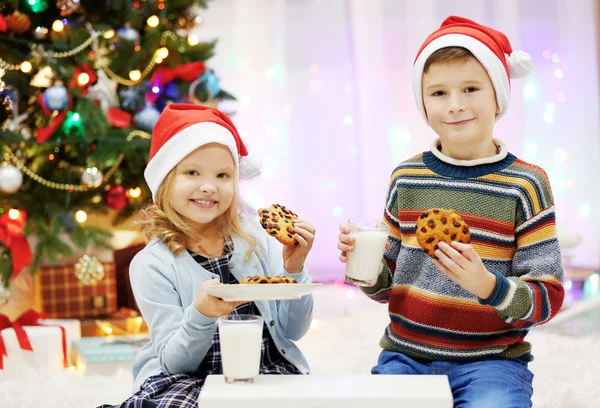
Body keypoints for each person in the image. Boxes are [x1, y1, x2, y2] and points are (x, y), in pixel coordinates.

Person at [337, 16, 564, 408]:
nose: (455, 105)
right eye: (439, 93)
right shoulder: (407, 177)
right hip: (405, 354)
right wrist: (366, 265)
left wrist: (487, 286)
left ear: (498, 97)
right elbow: (388, 288)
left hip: (491, 362)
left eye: (471, 89)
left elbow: (547, 297)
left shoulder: (526, 184)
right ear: (423, 102)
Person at [102, 104, 316, 408]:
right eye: (191, 172)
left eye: (223, 175)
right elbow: (176, 363)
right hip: (186, 379)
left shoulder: (254, 238)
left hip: (264, 369)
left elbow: (293, 331)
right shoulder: (151, 265)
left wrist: (295, 270)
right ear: (164, 180)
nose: (208, 186)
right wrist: (201, 314)